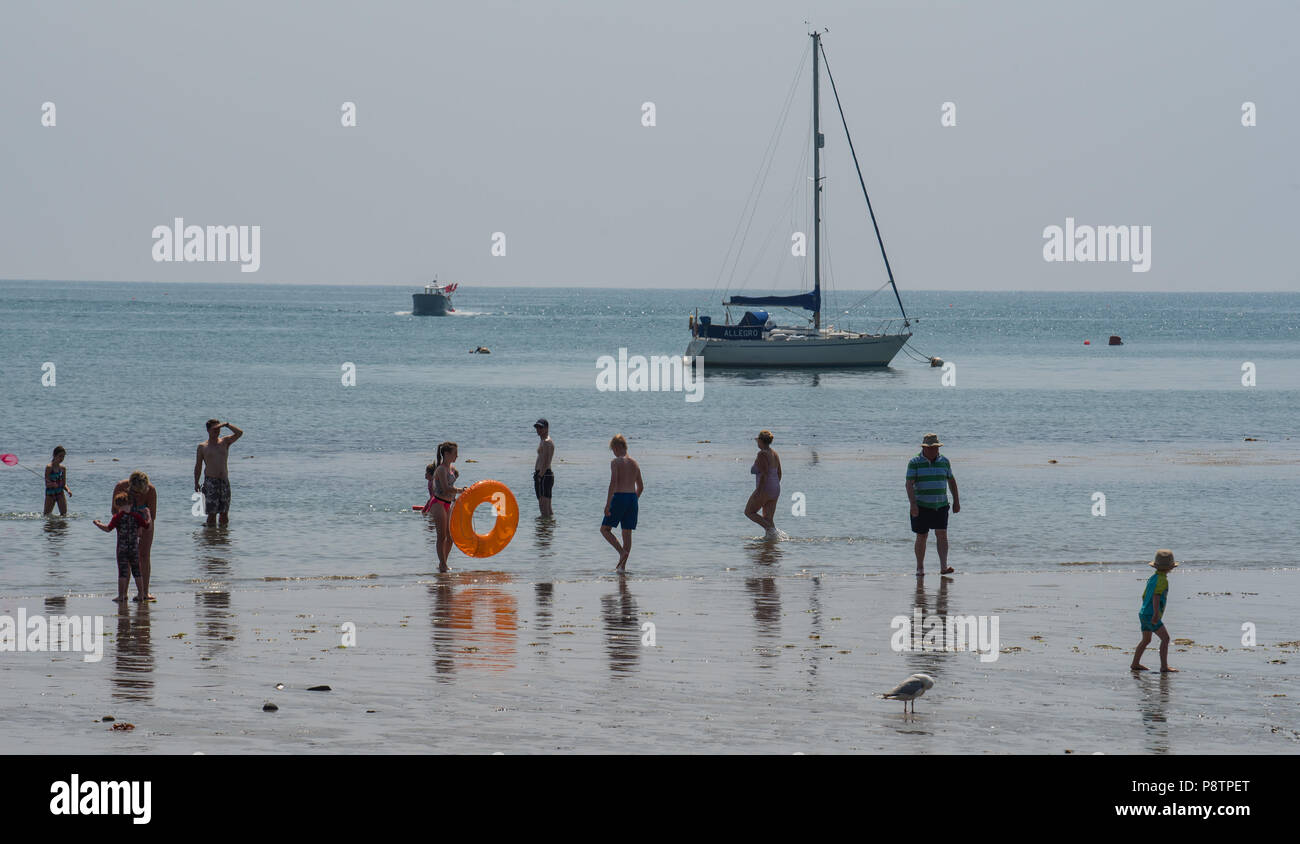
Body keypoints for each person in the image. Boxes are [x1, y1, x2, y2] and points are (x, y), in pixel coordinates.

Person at [905, 433, 960, 575]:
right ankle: (920, 568)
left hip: (940, 505)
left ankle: (943, 567)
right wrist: (913, 505)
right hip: (921, 505)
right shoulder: (914, 462)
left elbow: (951, 481)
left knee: (942, 534)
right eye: (930, 448)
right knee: (921, 536)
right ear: (924, 448)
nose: (933, 450)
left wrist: (956, 501)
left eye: (935, 447)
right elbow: (909, 485)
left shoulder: (944, 461)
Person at [95, 492, 151, 603]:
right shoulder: (136, 516)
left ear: (118, 506)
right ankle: (140, 594)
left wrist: (97, 523)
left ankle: (121, 596)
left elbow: (108, 529)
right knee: (137, 571)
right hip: (134, 548)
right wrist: (148, 513)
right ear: (130, 504)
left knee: (122, 572)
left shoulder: (117, 517)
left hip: (122, 549)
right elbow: (147, 525)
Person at [600, 434, 644, 571]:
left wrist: (608, 504)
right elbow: (641, 487)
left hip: (619, 497)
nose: (613, 452)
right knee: (627, 534)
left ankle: (621, 552)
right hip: (632, 499)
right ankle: (622, 568)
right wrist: (633, 501)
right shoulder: (635, 463)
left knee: (605, 529)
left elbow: (613, 483)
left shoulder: (616, 462)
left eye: (613, 449)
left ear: (618, 447)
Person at [1131, 549, 1179, 673]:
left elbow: (1144, 595)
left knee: (1146, 639)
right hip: (1152, 614)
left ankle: (1135, 663)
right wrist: (1156, 614)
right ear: (1171, 567)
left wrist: (1146, 609)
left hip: (1143, 613)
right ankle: (1164, 666)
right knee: (1165, 639)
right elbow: (1156, 596)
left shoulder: (1153, 578)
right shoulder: (1162, 580)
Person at [112, 471, 157, 601]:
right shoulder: (120, 487)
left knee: (144, 555)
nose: (138, 495)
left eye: (140, 493)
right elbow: (114, 510)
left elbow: (152, 515)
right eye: (135, 492)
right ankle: (123, 594)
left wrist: (141, 527)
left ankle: (144, 593)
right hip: (125, 522)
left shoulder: (151, 490)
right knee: (125, 557)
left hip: (144, 522)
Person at [195, 419, 242, 526]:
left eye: (219, 428)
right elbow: (198, 466)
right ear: (208, 430)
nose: (217, 431)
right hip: (210, 482)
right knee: (212, 514)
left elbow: (239, 433)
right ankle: (211, 537)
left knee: (224, 513)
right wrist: (196, 482)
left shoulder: (225, 442)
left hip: (224, 481)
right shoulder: (202, 447)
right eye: (214, 429)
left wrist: (227, 425)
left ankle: (222, 537)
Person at [429, 441, 467, 572]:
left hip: (448, 503)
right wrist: (460, 490)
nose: (457, 456)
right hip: (438, 503)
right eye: (455, 453)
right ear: (446, 454)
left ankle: (443, 563)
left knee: (450, 537)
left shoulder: (451, 470)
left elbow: (450, 490)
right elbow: (445, 488)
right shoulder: (440, 469)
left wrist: (457, 495)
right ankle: (443, 565)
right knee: (442, 536)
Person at [744, 430, 785, 540]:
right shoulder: (774, 453)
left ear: (761, 441)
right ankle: (771, 542)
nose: (757, 443)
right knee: (768, 518)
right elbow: (779, 473)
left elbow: (765, 473)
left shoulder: (762, 454)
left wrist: (759, 490)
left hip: (765, 488)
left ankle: (773, 532)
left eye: (758, 441)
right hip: (775, 488)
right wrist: (774, 486)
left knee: (749, 512)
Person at [533, 418, 555, 517]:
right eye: (537, 427)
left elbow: (547, 461)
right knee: (546, 507)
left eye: (540, 427)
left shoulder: (547, 442)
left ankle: (544, 530)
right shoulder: (542, 441)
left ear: (546, 428)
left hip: (544, 475)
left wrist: (540, 475)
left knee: (543, 507)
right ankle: (547, 529)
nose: (538, 429)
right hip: (543, 475)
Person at [43, 445, 71, 516]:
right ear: (54, 455)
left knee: (64, 515)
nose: (62, 458)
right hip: (50, 493)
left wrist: (68, 490)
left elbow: (64, 483)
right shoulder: (49, 467)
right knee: (47, 515)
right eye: (60, 456)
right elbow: (47, 483)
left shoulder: (63, 468)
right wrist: (52, 484)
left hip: (60, 493)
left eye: (63, 456)